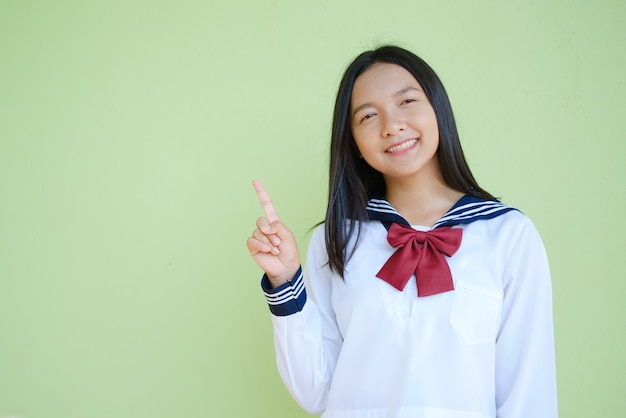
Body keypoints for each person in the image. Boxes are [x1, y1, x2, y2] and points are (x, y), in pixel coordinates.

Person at [246, 45, 557, 418]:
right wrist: (284, 281)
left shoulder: (509, 236)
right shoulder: (335, 240)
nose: (391, 125)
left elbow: (528, 393)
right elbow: (315, 391)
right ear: (355, 145)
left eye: (406, 101)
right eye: (368, 116)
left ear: (437, 109)